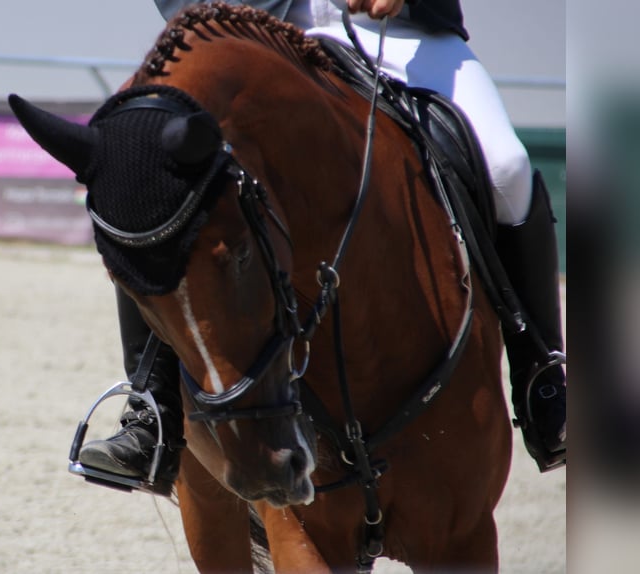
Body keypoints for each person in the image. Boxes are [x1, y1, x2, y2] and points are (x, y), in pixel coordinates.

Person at [75, 0, 567, 485]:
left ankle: (541, 375)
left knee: (507, 167)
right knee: (139, 165)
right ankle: (150, 409)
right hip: (258, 35)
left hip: (398, 33)